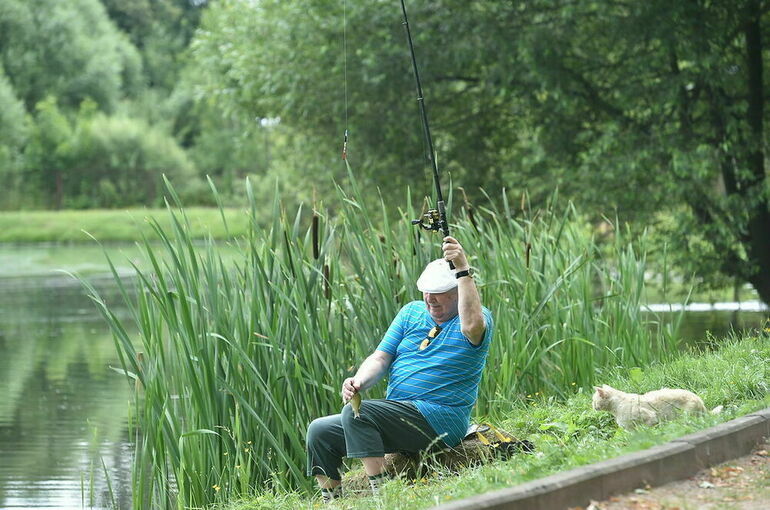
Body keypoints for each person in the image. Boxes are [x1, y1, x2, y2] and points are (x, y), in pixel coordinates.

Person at [305, 236, 494, 503]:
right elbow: (381, 358)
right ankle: (332, 502)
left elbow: (472, 326)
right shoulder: (410, 312)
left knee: (359, 413)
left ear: (458, 293)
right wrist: (358, 381)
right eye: (427, 296)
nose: (431, 303)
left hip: (439, 419)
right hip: (400, 416)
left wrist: (463, 270)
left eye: (438, 297)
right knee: (319, 430)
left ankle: (385, 499)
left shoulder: (476, 319)